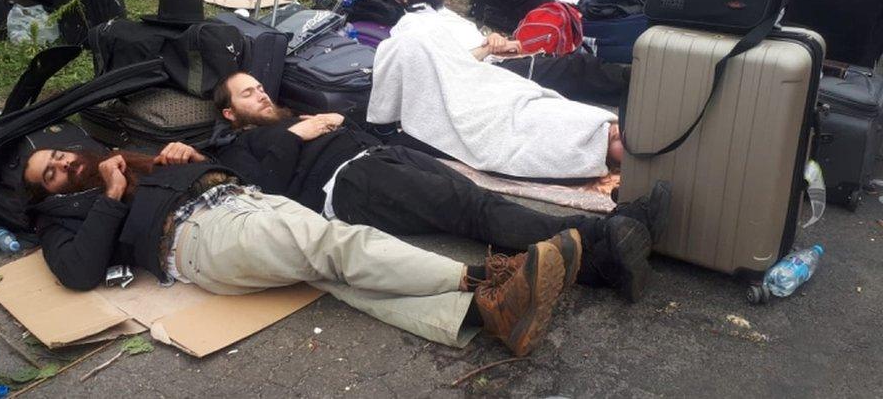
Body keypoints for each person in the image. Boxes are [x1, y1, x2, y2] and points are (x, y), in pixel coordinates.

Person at [22, 146, 581, 356]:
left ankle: (486, 317)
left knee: (336, 274)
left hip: (243, 200)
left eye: (60, 156)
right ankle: (484, 279)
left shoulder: (121, 161)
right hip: (198, 238)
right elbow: (78, 273)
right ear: (44, 194)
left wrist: (187, 158)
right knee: (336, 245)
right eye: (49, 174)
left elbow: (229, 167)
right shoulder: (62, 218)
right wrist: (111, 197)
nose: (64, 167)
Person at [208, 71, 674, 302]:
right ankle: (610, 228)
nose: (262, 93)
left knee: (481, 202)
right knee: (471, 210)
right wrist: (297, 135)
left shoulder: (293, 116)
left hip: (380, 158)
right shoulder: (237, 149)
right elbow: (265, 191)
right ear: (230, 113)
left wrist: (326, 125)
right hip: (349, 184)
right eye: (248, 94)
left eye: (259, 87)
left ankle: (604, 268)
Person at [359, 0, 630, 107]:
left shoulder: (436, 9)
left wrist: (500, 43)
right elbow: (449, 67)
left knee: (569, 55)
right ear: (401, 0)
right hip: (488, 74)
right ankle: (638, 86)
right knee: (575, 67)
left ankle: (634, 86)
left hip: (499, 57)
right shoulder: (413, 28)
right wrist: (489, 48)